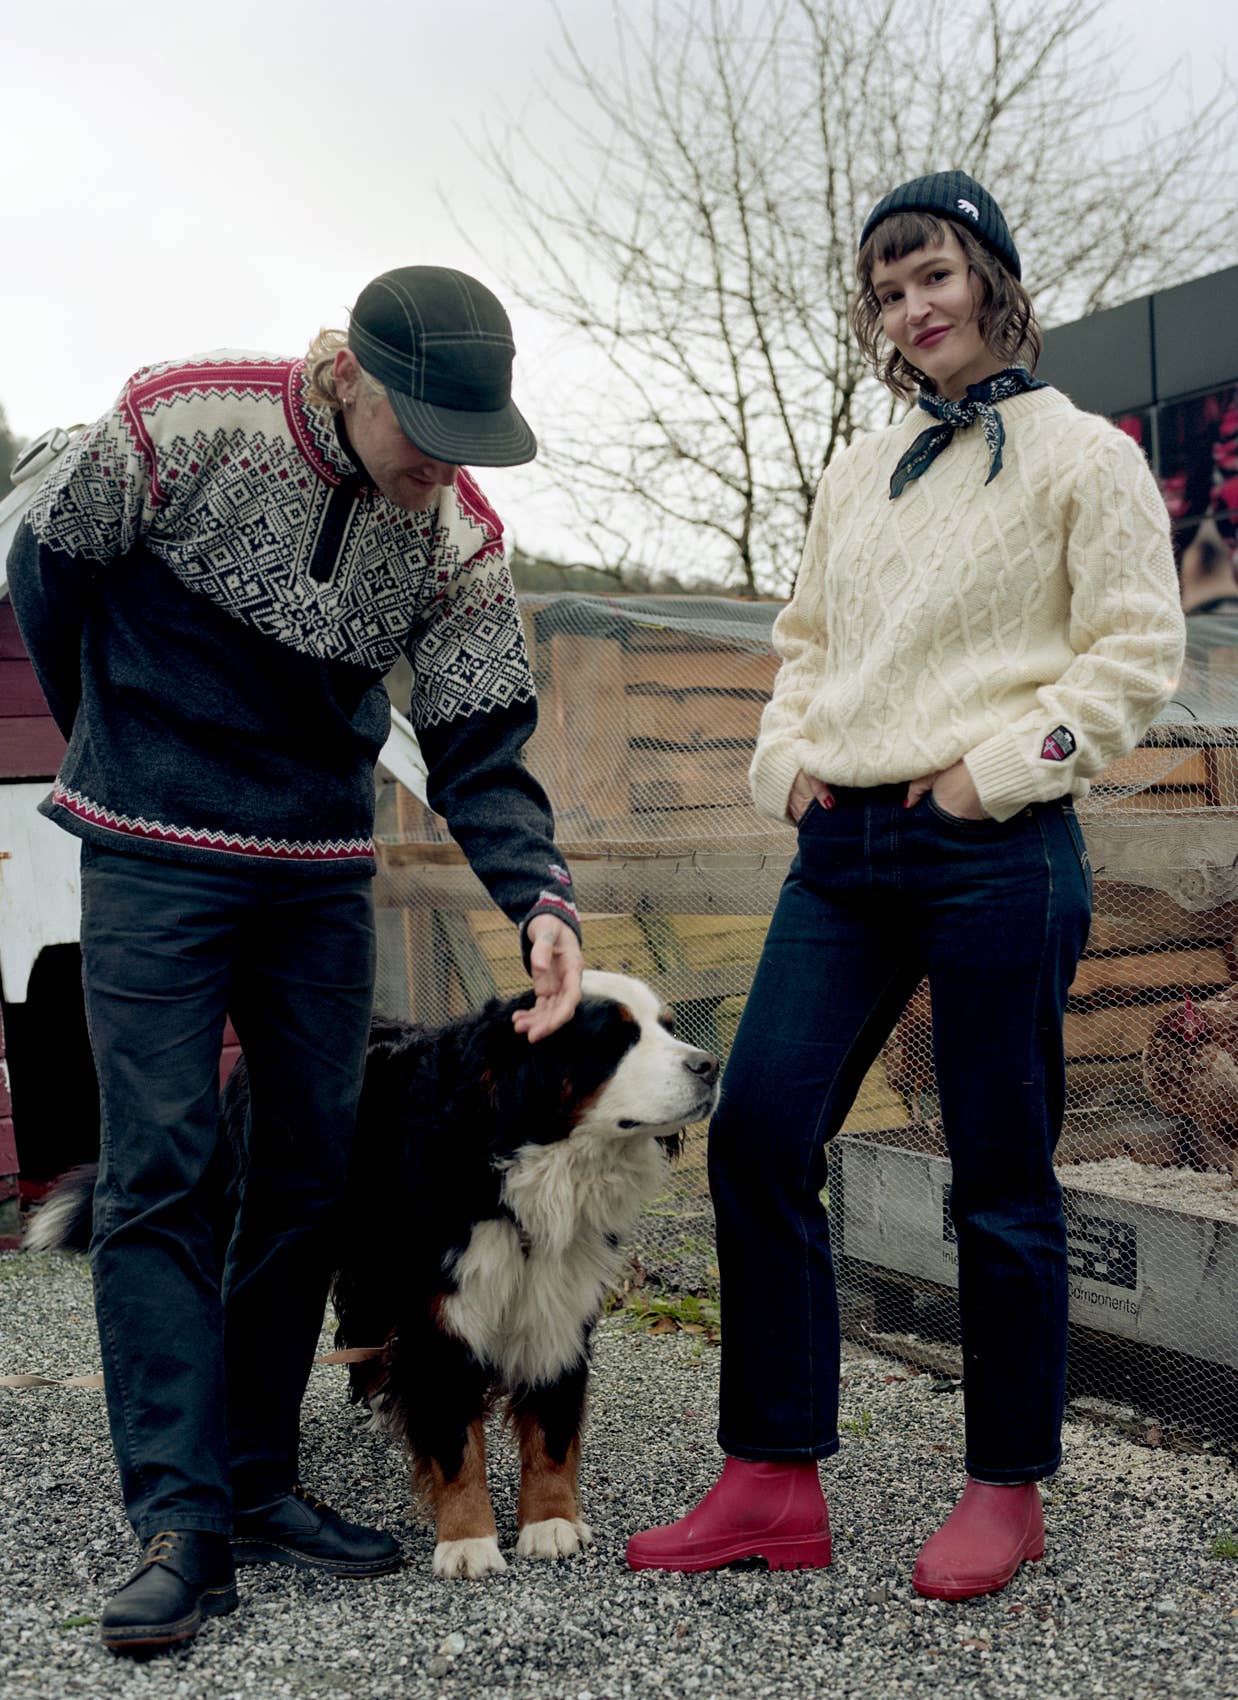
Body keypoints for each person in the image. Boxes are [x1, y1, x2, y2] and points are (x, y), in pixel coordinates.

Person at [8, 266, 584, 1652]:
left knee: (310, 1173)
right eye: (424, 428)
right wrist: (114, 732)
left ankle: (260, 1481)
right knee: (160, 1166)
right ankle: (179, 1521)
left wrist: (537, 898)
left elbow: (479, 741)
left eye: (468, 438)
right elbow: (43, 568)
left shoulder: (457, 533)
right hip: (153, 843)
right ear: (350, 374)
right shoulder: (178, 423)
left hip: (317, 872)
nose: (441, 462)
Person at [626, 172, 1185, 1599]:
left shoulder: (1085, 457)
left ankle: (1003, 1489)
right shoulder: (856, 471)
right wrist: (785, 766)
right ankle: (768, 1479)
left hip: (993, 842)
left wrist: (982, 776)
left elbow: (1130, 660)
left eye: (930, 273)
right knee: (756, 1131)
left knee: (997, 1172)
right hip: (844, 848)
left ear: (992, 277)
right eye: (884, 291)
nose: (910, 307)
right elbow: (802, 639)